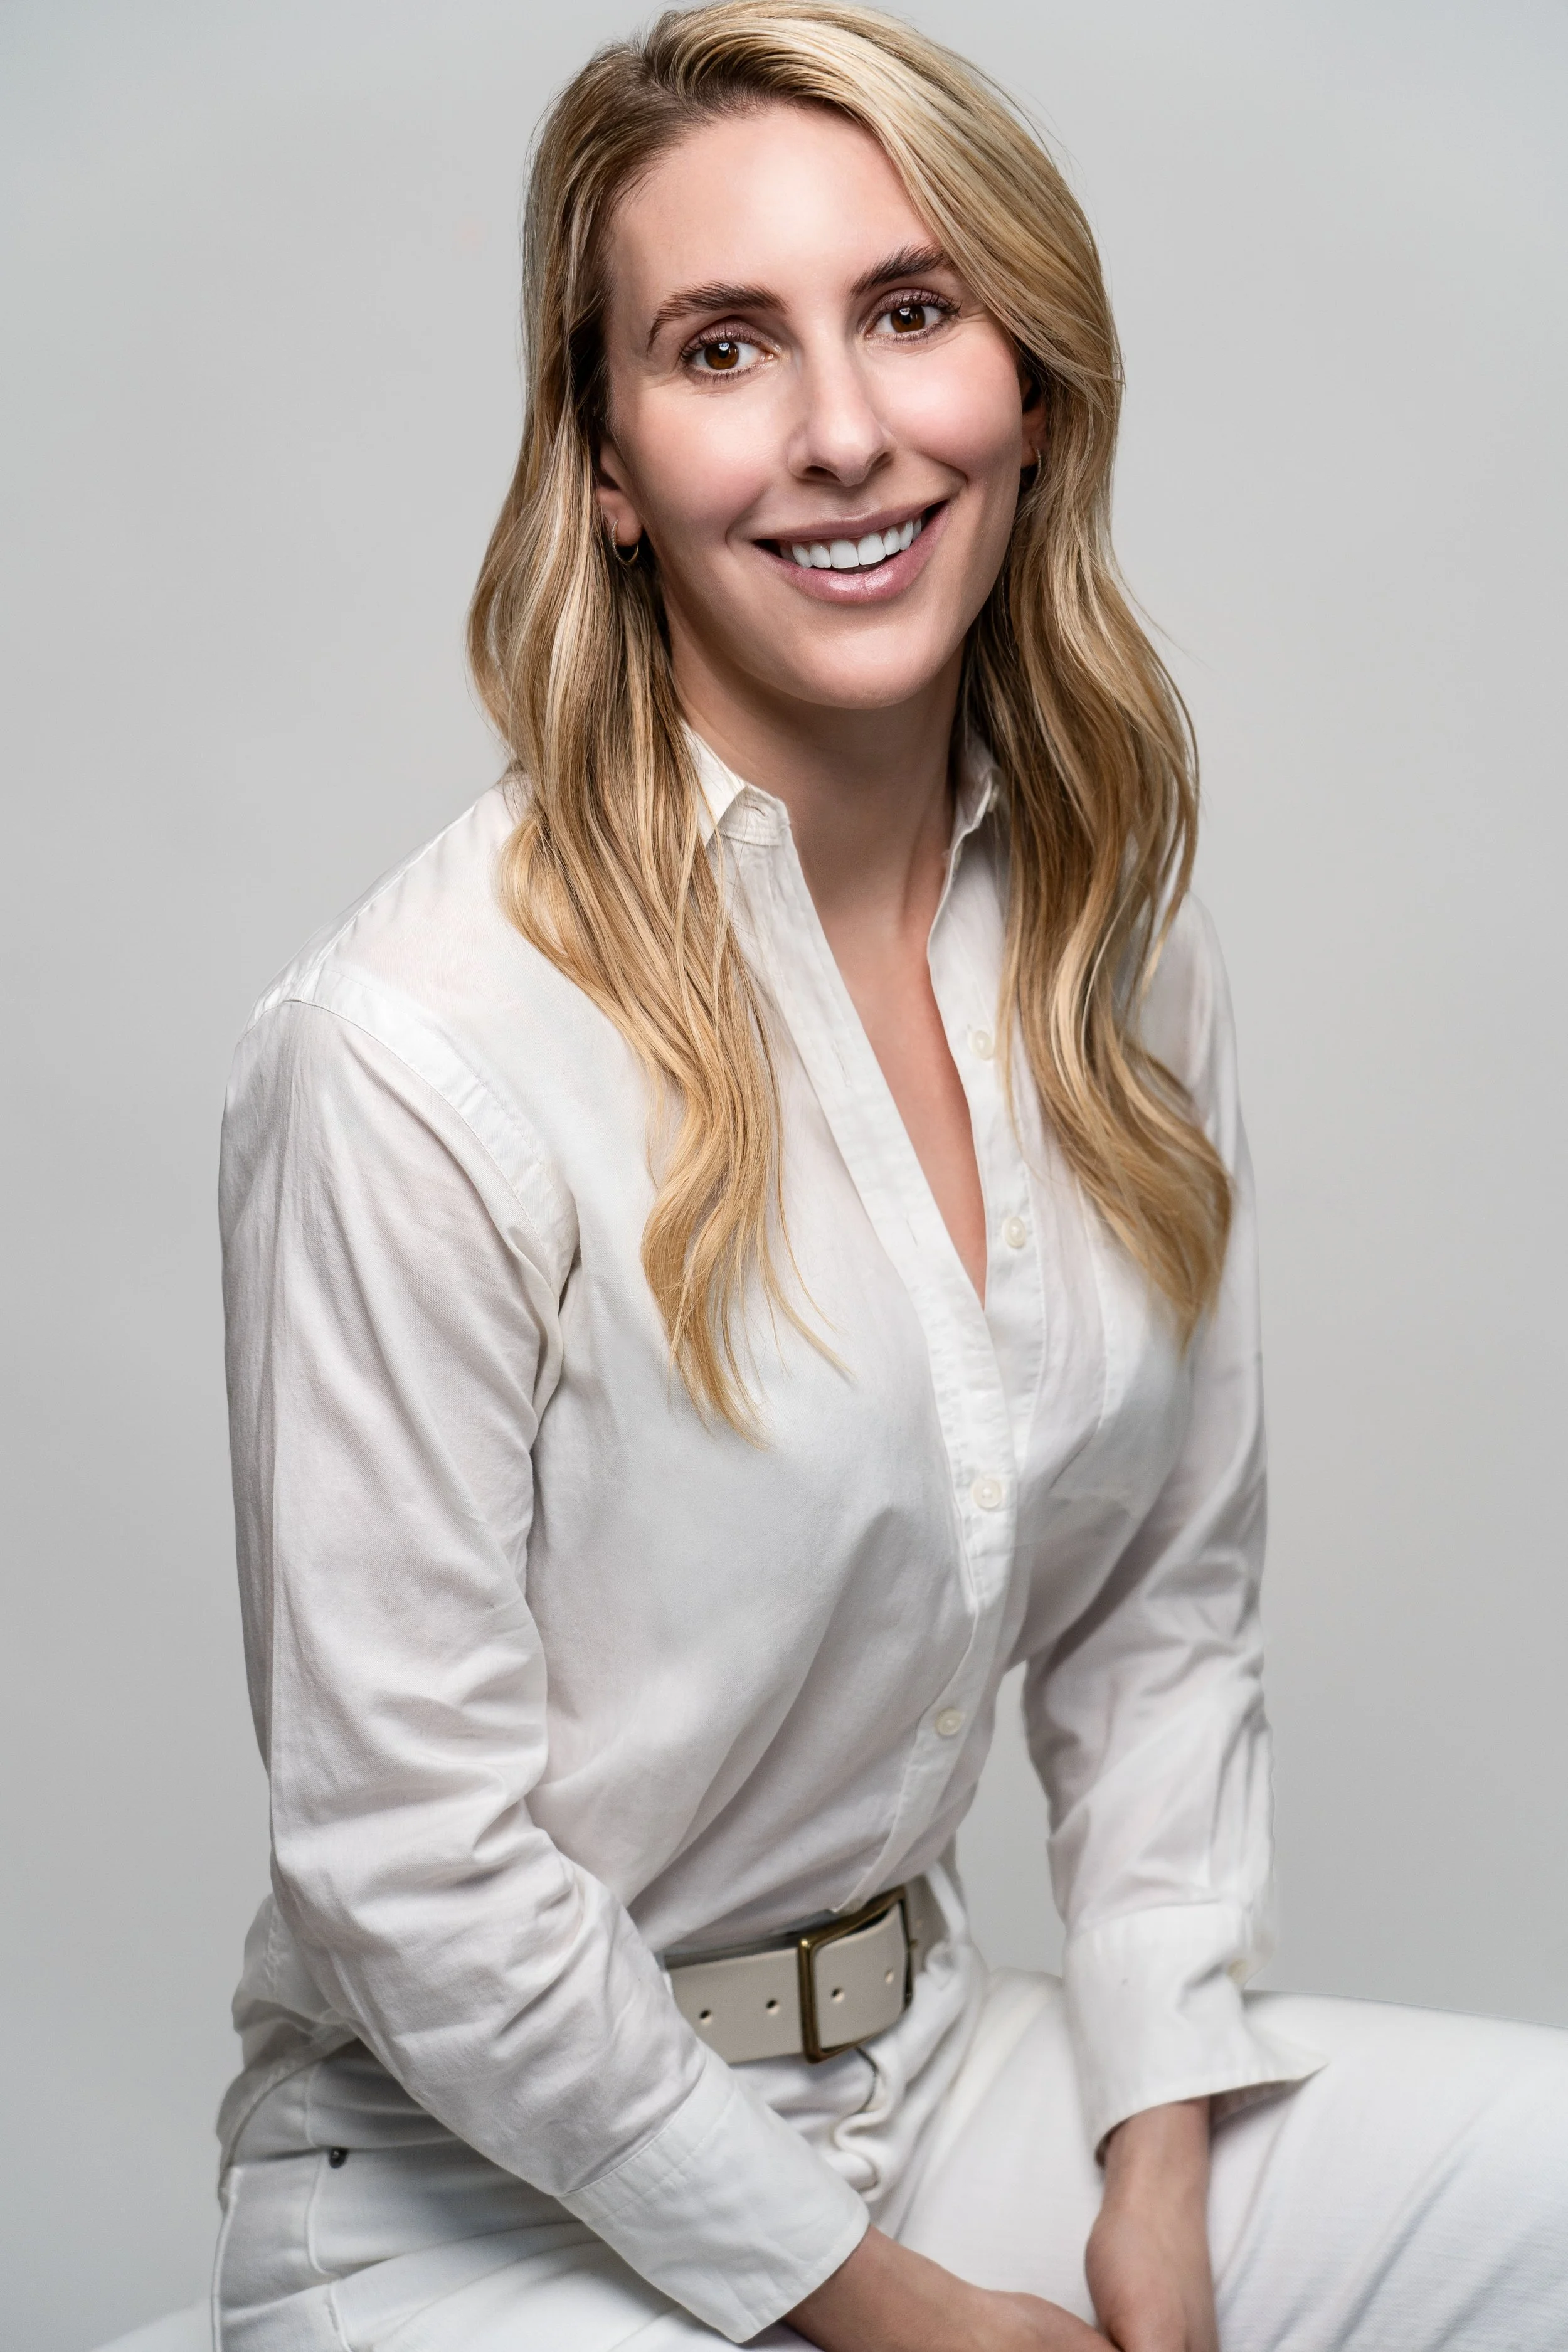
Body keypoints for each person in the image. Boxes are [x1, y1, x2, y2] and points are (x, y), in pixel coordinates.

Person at [205, 8, 1568, 2349]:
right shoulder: (408, 1053)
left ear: (1027, 383)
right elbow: (411, 1875)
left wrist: (1157, 2166)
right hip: (474, 2190)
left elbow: (1158, 1610)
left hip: (934, 2071)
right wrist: (899, 2312)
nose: (842, 429)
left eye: (911, 309)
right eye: (722, 345)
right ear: (606, 462)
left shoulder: (1109, 948)